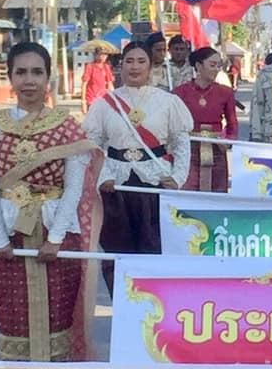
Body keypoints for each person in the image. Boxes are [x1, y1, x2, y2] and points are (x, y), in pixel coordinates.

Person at [0, 40, 102, 360]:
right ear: (10, 77)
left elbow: (73, 188)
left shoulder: (67, 126)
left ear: (48, 77)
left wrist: (56, 238)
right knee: (12, 319)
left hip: (57, 234)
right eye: (21, 72)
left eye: (36, 72)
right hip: (9, 234)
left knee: (58, 321)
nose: (29, 80)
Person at [82, 42, 192, 269]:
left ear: (151, 67)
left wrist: (178, 178)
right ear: (120, 67)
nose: (135, 67)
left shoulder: (167, 101)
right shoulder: (104, 104)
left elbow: (181, 142)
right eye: (129, 61)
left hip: (154, 184)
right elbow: (92, 145)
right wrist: (103, 176)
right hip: (116, 188)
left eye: (141, 61)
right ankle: (121, 301)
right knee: (117, 253)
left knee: (153, 249)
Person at [174, 44, 238, 190]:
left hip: (216, 148)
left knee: (216, 191)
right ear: (198, 65)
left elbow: (232, 122)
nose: (216, 69)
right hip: (188, 149)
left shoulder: (225, 92)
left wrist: (228, 141)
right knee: (188, 189)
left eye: (218, 65)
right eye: (212, 65)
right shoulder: (180, 92)